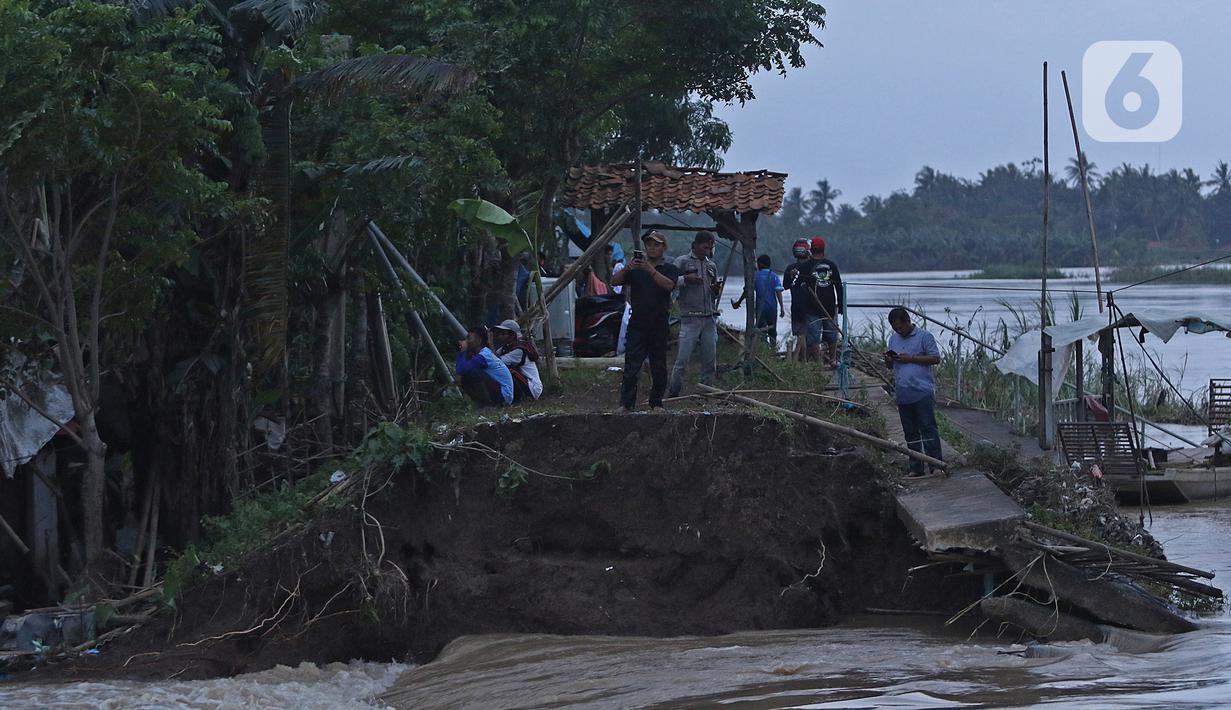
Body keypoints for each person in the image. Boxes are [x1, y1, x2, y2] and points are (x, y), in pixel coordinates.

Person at [612, 230, 679, 410]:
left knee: (658, 366)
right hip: (637, 323)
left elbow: (670, 285)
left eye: (656, 244)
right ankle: (626, 404)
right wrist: (627, 268)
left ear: (663, 247)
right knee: (632, 366)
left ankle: (656, 403)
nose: (652, 248)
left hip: (659, 323)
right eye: (649, 244)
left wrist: (651, 270)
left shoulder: (669, 268)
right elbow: (614, 282)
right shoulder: (636, 270)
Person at [883, 307, 943, 477]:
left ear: (908, 321)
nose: (898, 331)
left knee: (928, 428)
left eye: (900, 327)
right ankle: (916, 467)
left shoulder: (924, 337)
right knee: (910, 433)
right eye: (895, 329)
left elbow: (935, 358)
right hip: (903, 393)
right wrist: (888, 360)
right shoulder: (893, 340)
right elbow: (891, 365)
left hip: (922, 391)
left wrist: (911, 358)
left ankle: (935, 464)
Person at [667, 231, 720, 398]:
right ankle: (673, 393)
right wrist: (686, 279)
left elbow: (713, 293)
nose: (708, 251)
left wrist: (715, 290)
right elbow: (669, 283)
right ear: (696, 245)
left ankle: (705, 394)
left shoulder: (711, 265)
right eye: (705, 247)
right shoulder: (682, 261)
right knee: (682, 361)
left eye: (710, 248)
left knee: (710, 362)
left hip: (709, 318)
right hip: (690, 318)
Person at [733, 254, 786, 348]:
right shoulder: (774, 276)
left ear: (760, 264)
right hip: (772, 308)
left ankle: (764, 350)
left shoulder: (755, 276)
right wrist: (782, 308)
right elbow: (778, 292)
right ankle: (773, 351)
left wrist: (739, 302)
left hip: (760, 308)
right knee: (772, 331)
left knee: (761, 331)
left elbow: (747, 291)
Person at [456, 325, 514, 406]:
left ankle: (488, 404)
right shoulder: (480, 354)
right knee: (466, 377)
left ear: (479, 341)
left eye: (469, 338)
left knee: (473, 372)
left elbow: (462, 370)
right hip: (500, 392)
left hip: (504, 395)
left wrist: (463, 352)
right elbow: (460, 371)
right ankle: (482, 403)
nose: (466, 341)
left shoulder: (484, 355)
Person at [492, 319, 543, 402]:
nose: (500, 337)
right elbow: (493, 357)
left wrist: (490, 344)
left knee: (508, 371)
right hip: (525, 383)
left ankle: (522, 398)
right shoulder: (505, 348)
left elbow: (497, 362)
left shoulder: (519, 350)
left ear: (512, 335)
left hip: (532, 387)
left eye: (503, 334)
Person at [781, 238, 814, 362]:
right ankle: (804, 359)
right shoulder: (811, 267)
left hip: (796, 307)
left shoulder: (790, 268)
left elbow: (785, 286)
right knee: (806, 335)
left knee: (801, 334)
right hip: (811, 307)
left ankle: (804, 359)